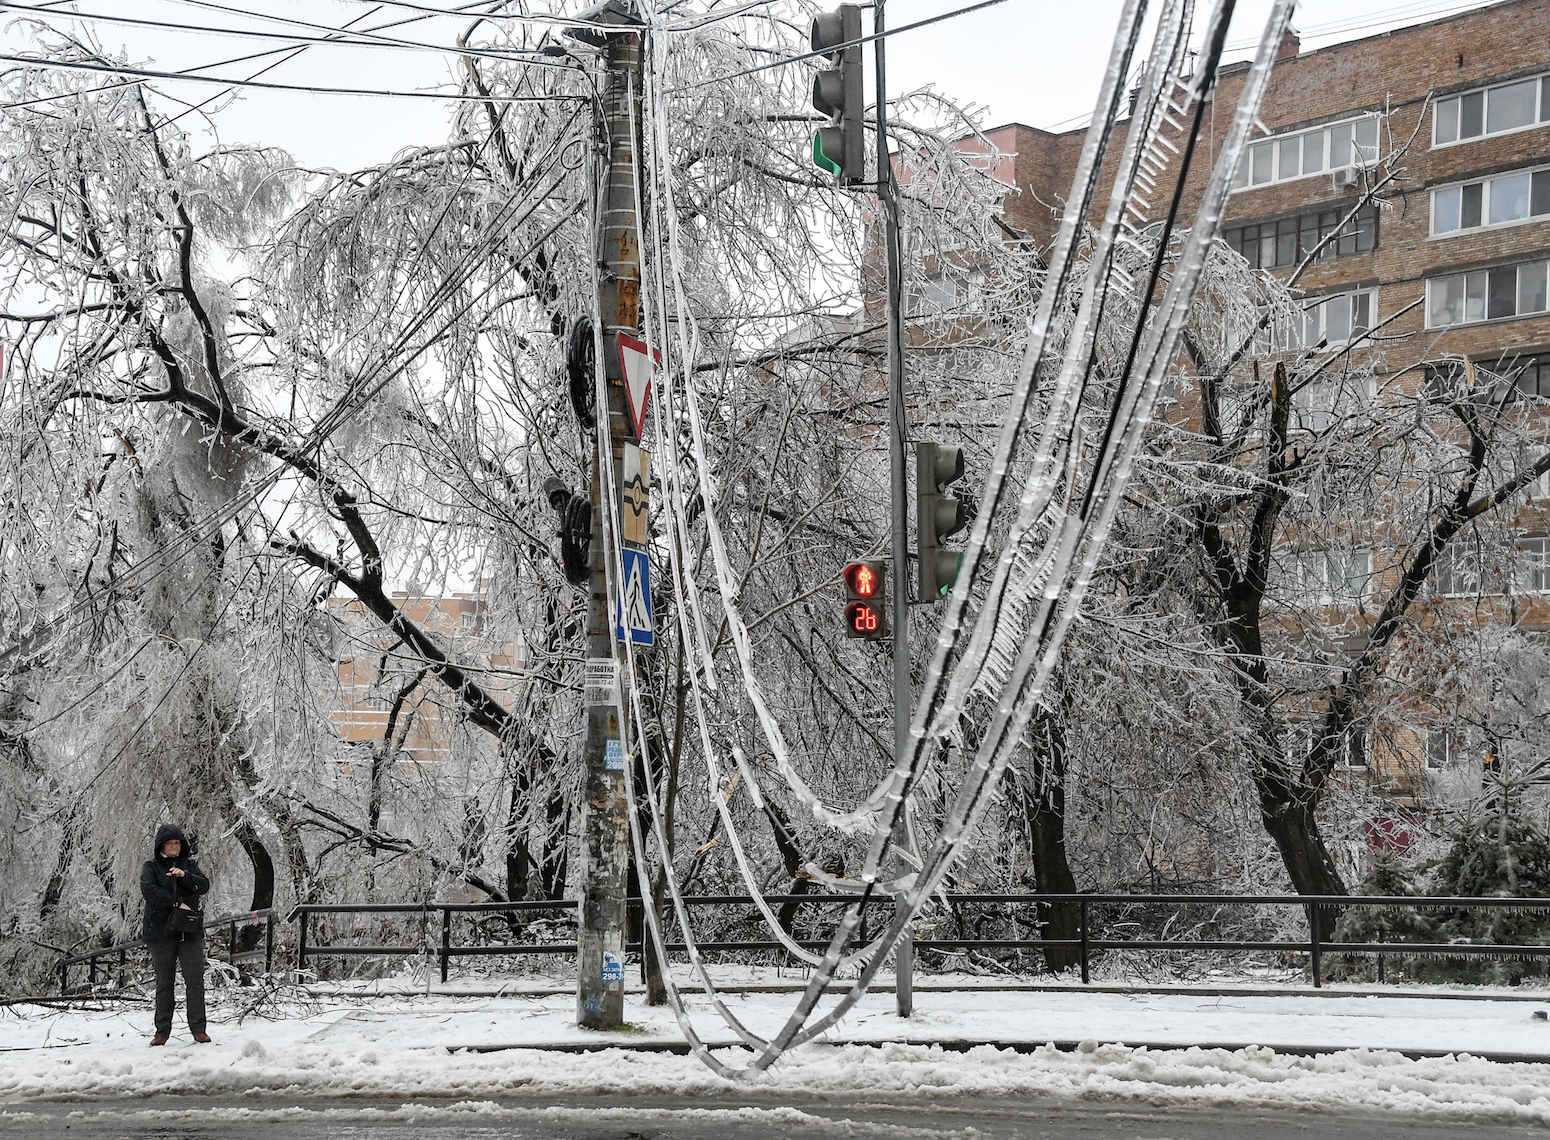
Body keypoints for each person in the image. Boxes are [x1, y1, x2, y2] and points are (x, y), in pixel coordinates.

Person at [140, 823, 211, 1046]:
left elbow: (203, 885)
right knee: (164, 983)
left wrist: (184, 876)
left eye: (177, 843)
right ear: (161, 845)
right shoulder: (151, 866)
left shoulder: (189, 865)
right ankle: (162, 1031)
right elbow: (149, 891)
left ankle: (199, 1029)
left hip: (189, 931)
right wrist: (178, 903)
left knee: (195, 980)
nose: (174, 847)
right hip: (160, 932)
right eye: (170, 843)